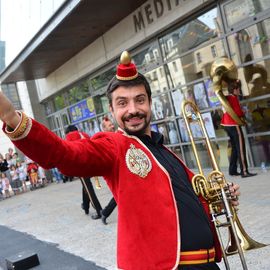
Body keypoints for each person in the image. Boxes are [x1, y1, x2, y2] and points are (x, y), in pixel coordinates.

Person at [0, 51, 240, 270]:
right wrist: (12, 117)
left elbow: (188, 203)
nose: (133, 109)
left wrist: (220, 198)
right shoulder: (114, 146)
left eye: (140, 100)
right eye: (123, 103)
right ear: (112, 112)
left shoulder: (168, 154)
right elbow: (63, 154)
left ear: (150, 103)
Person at [65, 125, 102, 219]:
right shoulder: (84, 134)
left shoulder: (69, 137)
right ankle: (85, 206)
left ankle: (99, 210)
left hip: (81, 165)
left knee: (89, 188)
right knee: (85, 185)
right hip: (91, 162)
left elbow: (67, 151)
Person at [221, 79, 257, 178]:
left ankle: (232, 170)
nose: (239, 90)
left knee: (235, 148)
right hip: (234, 125)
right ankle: (244, 171)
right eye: (237, 89)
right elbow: (238, 113)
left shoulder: (227, 97)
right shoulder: (233, 98)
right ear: (234, 90)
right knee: (241, 148)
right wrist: (243, 112)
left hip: (227, 125)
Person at [100, 116, 117, 225]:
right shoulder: (104, 139)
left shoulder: (116, 135)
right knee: (120, 194)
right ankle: (105, 212)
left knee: (120, 194)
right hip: (114, 171)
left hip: (121, 167)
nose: (112, 126)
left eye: (112, 124)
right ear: (104, 129)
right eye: (110, 125)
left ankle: (105, 212)